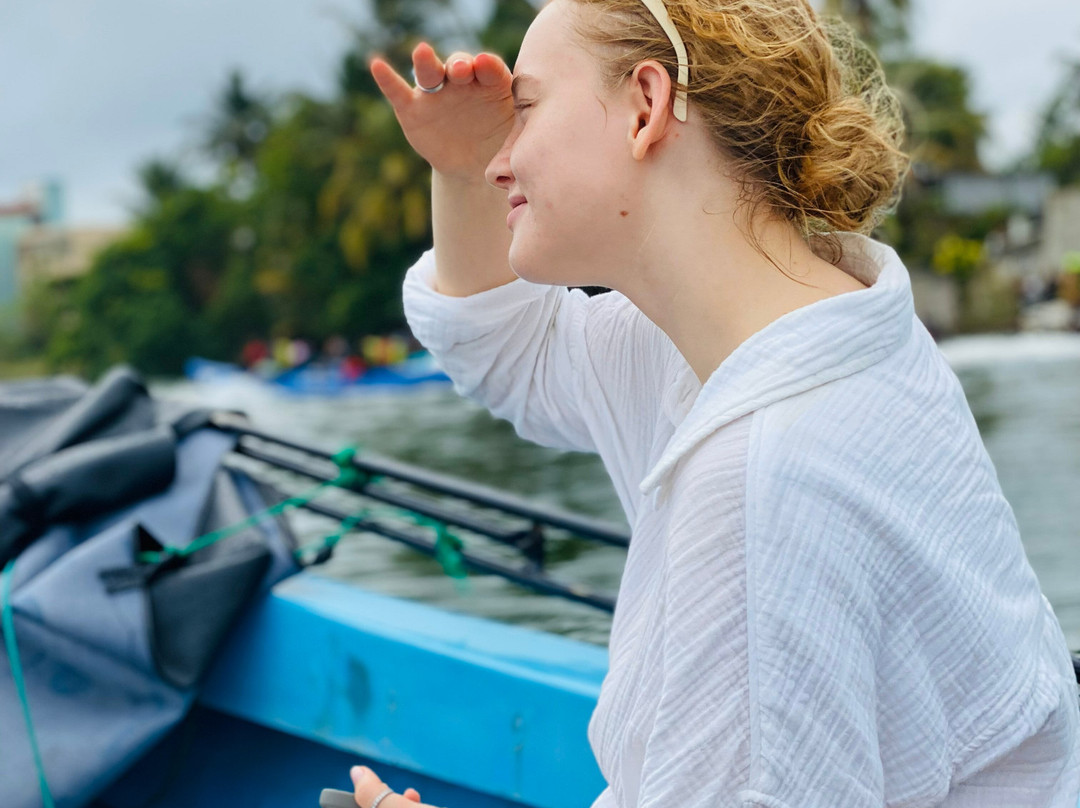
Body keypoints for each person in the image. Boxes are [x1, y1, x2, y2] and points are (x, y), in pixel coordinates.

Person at [350, 0, 1080, 805]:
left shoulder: (765, 482)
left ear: (646, 106)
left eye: (522, 111)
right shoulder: (811, 323)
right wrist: (457, 168)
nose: (500, 163)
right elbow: (514, 354)